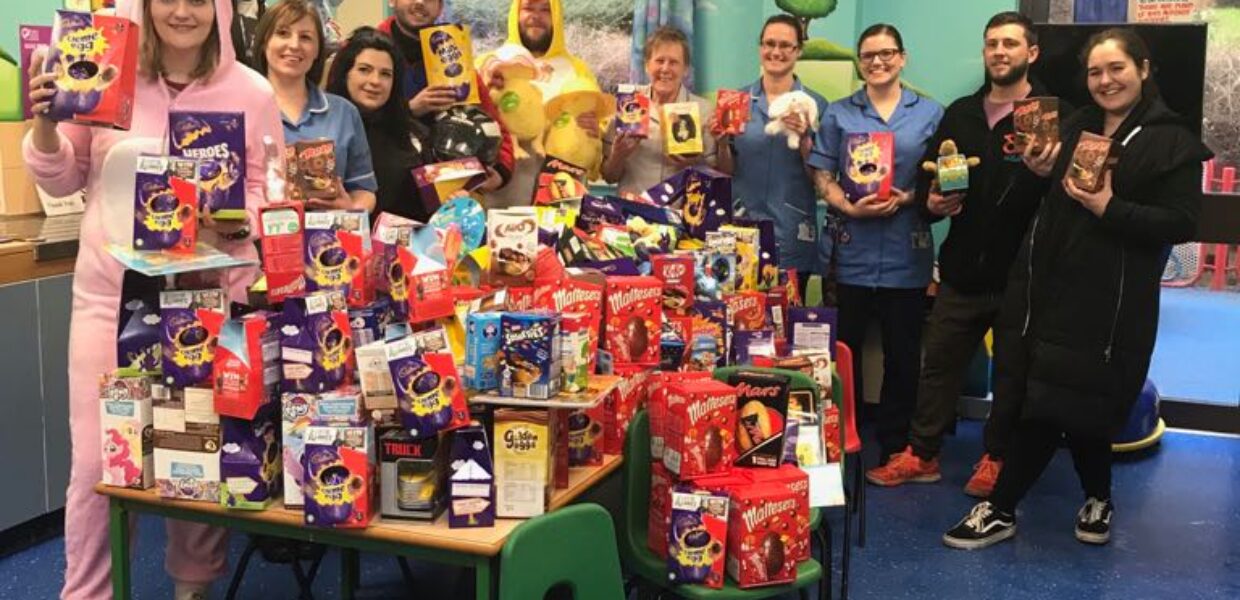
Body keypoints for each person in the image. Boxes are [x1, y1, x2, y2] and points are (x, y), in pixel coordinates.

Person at [23, 0, 285, 598]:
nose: (183, 11)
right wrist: (44, 122)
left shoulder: (251, 91)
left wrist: (221, 217)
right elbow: (60, 177)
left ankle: (192, 588)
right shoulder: (104, 72)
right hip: (108, 299)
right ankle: (87, 592)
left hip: (206, 302)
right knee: (96, 463)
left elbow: (269, 193)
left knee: (193, 451)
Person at [944, 28, 1210, 550]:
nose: (1106, 81)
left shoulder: (1171, 139)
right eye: (1095, 72)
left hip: (1108, 302)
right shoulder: (1076, 124)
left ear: (1144, 69)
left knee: (1050, 404)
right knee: (1076, 403)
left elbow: (1181, 222)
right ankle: (1099, 498)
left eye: (1117, 69)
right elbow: (1042, 200)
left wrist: (1110, 207)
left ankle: (1000, 508)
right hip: (1048, 287)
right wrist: (1039, 170)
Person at [865, 12, 1072, 497]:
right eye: (991, 44)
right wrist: (931, 203)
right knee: (937, 365)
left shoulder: (1054, 115)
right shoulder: (958, 113)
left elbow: (1071, 196)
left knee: (1012, 374)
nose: (999, 51)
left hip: (1024, 274)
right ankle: (922, 454)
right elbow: (926, 183)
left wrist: (1048, 173)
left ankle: (997, 457)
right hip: (961, 269)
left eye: (1010, 43)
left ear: (1031, 53)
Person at [809, 24, 944, 463]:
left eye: (887, 54)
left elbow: (941, 177)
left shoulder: (930, 113)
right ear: (859, 61)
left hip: (907, 252)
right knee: (839, 352)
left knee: (903, 355)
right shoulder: (839, 114)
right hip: (849, 252)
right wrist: (846, 208)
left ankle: (893, 443)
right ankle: (834, 438)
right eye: (868, 55)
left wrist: (910, 197)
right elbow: (822, 175)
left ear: (902, 58)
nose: (878, 62)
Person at [714, 15, 827, 295]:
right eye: (769, 44)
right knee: (737, 323)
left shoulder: (817, 105)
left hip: (791, 232)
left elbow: (822, 181)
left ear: (799, 50)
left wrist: (803, 140)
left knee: (785, 324)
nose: (776, 52)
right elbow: (725, 171)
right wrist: (719, 143)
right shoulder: (735, 101)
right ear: (759, 47)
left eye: (786, 45)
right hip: (739, 228)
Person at [253, 0, 378, 212]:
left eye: (305, 37)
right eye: (283, 33)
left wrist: (350, 210)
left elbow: (364, 190)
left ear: (318, 50)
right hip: (260, 241)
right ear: (264, 42)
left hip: (331, 240)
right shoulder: (243, 109)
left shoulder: (344, 112)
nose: (294, 45)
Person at [377, 0, 513, 194]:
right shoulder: (365, 49)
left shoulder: (453, 54)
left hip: (445, 194)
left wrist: (500, 172)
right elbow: (348, 120)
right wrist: (409, 109)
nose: (420, 2)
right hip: (381, 189)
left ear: (441, 7)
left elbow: (492, 122)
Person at [477, 0, 602, 208]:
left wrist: (595, 130)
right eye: (528, 8)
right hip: (500, 204)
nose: (536, 16)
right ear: (515, 14)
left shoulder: (578, 70)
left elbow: (598, 138)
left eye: (545, 9)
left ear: (556, 17)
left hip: (561, 204)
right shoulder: (489, 65)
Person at [327, 27, 439, 221]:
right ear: (346, 73)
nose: (375, 81)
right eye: (364, 70)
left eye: (386, 74)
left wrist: (451, 200)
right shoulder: (321, 129)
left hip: (405, 245)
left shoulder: (414, 135)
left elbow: (429, 205)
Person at [601, 26, 715, 196]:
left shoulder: (704, 111)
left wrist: (694, 164)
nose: (665, 69)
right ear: (647, 65)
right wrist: (618, 155)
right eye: (659, 61)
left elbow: (715, 177)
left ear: (685, 69)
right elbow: (609, 177)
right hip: (632, 214)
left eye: (674, 62)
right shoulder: (628, 105)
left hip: (680, 216)